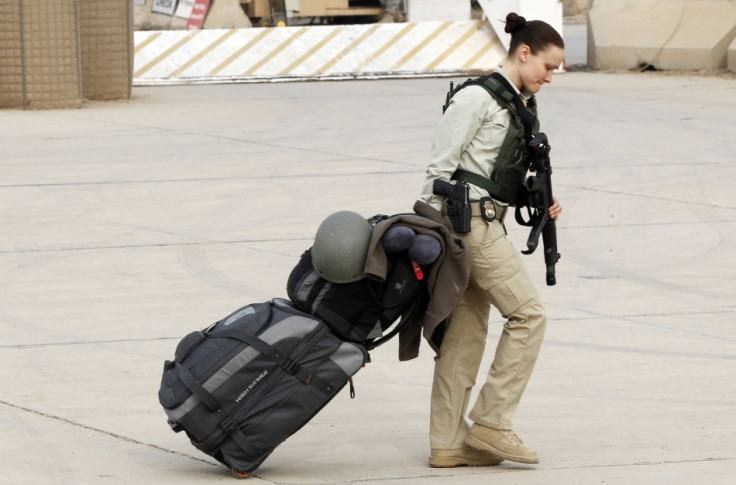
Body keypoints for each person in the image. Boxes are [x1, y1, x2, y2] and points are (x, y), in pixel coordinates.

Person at [419, 12, 565, 468]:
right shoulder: (476, 98)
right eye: (549, 66)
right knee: (528, 315)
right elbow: (438, 173)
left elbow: (489, 171)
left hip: (486, 220)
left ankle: (448, 444)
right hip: (469, 226)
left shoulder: (518, 102)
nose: (550, 76)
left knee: (464, 335)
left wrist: (536, 198)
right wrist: (444, 236)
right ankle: (492, 423)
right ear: (525, 53)